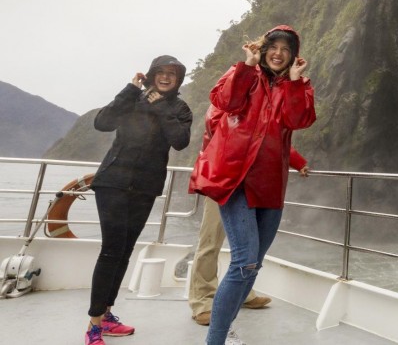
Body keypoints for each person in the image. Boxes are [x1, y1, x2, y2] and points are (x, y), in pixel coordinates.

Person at [189, 25, 316, 345]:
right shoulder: (243, 73)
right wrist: (246, 65)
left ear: (293, 57)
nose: (279, 54)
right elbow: (224, 100)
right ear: (263, 49)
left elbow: (298, 120)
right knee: (244, 261)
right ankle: (215, 340)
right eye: (274, 47)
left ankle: (224, 325)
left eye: (286, 50)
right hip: (234, 180)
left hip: (271, 184)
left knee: (253, 264)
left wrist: (297, 83)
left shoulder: (295, 85)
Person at [85, 55, 193, 345]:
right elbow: (102, 122)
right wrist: (130, 90)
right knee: (111, 251)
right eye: (162, 72)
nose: (167, 77)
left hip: (145, 188)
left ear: (178, 79)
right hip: (113, 183)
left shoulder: (180, 108)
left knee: (125, 250)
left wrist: (159, 108)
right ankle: (94, 325)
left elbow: (180, 141)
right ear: (152, 74)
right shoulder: (133, 99)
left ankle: (106, 315)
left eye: (173, 73)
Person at [189, 105, 310, 325]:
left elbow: (266, 138)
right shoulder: (230, 97)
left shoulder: (262, 98)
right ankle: (203, 302)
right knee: (210, 242)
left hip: (252, 185)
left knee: (248, 248)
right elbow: (224, 131)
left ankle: (243, 294)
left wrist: (298, 161)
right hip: (224, 181)